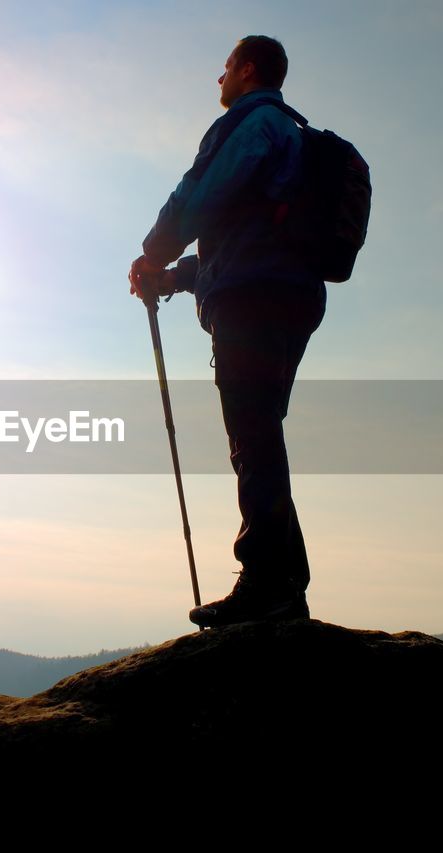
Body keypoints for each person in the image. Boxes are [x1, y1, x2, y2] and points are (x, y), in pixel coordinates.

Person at [129, 35, 325, 628]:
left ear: (247, 69)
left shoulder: (252, 123)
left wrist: (154, 249)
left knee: (253, 439)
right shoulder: (289, 134)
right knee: (260, 434)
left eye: (225, 69)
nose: (219, 81)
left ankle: (267, 584)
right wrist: (174, 278)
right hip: (287, 295)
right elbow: (247, 241)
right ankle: (284, 585)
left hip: (255, 301)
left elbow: (203, 196)